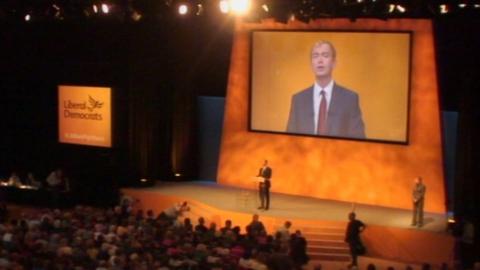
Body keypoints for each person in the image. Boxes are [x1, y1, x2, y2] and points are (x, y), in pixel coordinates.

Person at [286, 40, 365, 138]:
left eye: (325, 55)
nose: (320, 60)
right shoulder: (298, 100)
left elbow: (358, 140)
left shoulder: (350, 99)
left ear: (334, 63)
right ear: (311, 64)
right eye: (315, 56)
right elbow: (290, 139)